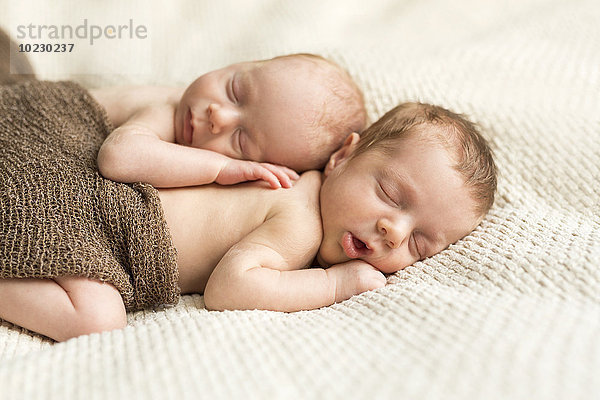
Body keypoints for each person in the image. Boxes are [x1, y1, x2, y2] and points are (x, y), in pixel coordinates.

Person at [0, 101, 496, 342]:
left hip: (88, 209)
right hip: (87, 215)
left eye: (422, 243)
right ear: (343, 156)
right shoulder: (299, 214)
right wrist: (335, 284)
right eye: (388, 193)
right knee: (97, 320)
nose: (395, 232)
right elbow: (230, 288)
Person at [93, 53, 367, 189]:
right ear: (241, 63)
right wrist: (222, 167)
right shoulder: (166, 110)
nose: (219, 116)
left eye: (240, 140)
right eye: (235, 91)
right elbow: (118, 157)